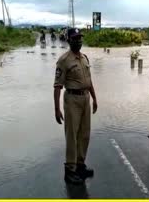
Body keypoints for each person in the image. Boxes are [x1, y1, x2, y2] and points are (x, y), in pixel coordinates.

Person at [53, 28, 98, 184]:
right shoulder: (64, 60)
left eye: (80, 38)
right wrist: (57, 109)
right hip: (72, 99)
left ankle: (80, 165)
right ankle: (69, 170)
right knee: (72, 135)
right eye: (75, 38)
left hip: (85, 98)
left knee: (84, 134)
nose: (78, 41)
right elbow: (57, 86)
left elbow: (89, 81)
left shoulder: (85, 58)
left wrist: (94, 98)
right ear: (69, 40)